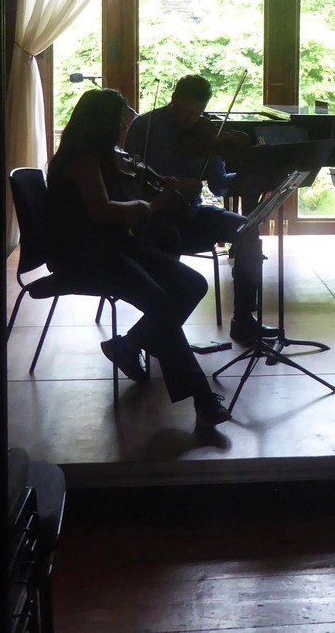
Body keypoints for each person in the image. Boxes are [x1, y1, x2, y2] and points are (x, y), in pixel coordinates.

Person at [45, 87, 230, 429]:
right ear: (103, 123)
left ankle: (128, 346)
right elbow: (101, 212)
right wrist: (143, 205)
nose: (123, 130)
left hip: (111, 245)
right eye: (119, 122)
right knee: (160, 302)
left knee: (191, 284)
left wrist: (148, 199)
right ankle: (202, 398)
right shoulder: (82, 159)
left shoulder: (100, 156)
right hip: (85, 254)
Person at [125, 74, 273, 348]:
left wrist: (254, 174)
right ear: (173, 100)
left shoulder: (207, 134)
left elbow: (218, 185)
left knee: (246, 228)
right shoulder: (144, 126)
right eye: (183, 109)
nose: (188, 118)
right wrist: (172, 186)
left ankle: (243, 318)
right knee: (166, 237)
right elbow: (127, 177)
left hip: (191, 214)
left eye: (196, 112)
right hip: (153, 215)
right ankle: (162, 328)